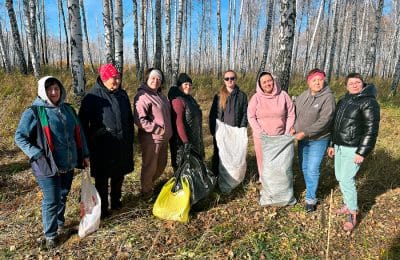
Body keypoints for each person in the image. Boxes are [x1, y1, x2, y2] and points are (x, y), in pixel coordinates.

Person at [15, 76, 90, 249]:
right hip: (46, 164)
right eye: (50, 89)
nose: (54, 92)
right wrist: (36, 153)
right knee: (52, 199)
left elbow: (79, 133)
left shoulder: (68, 110)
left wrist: (84, 154)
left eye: (56, 88)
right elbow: (20, 136)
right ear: (43, 91)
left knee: (63, 195)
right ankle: (50, 235)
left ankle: (59, 223)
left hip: (67, 162)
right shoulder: (34, 111)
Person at [79, 63, 134, 218]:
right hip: (101, 145)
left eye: (117, 78)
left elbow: (129, 119)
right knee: (102, 179)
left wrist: (130, 138)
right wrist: (91, 139)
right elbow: (82, 123)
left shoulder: (122, 95)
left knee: (119, 174)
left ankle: (116, 201)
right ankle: (103, 209)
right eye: (112, 78)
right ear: (103, 78)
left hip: (121, 143)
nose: (116, 81)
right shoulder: (92, 97)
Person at [327, 73, 380, 231]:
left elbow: (371, 130)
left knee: (346, 179)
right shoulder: (344, 100)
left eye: (357, 82)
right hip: (339, 146)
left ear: (363, 84)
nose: (354, 85)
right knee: (340, 178)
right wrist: (332, 144)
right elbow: (335, 124)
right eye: (351, 83)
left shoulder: (369, 102)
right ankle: (347, 203)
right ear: (346, 85)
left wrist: (362, 152)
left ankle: (353, 212)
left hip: (353, 149)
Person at [291, 68, 336, 213]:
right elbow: (295, 113)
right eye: (314, 80)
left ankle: (311, 198)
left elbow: (325, 121)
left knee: (312, 168)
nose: (317, 82)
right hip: (303, 139)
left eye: (320, 79)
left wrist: (305, 132)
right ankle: (310, 187)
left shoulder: (328, 97)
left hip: (319, 139)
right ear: (309, 82)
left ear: (324, 80)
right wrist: (293, 127)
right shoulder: (303, 96)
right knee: (304, 167)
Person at [247, 71, 295, 179]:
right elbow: (251, 116)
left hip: (280, 137)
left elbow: (291, 113)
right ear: (260, 85)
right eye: (264, 82)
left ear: (274, 81)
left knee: (279, 164)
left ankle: (279, 186)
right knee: (263, 162)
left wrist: (287, 131)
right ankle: (265, 186)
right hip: (262, 138)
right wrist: (260, 132)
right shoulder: (256, 98)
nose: (268, 84)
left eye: (269, 81)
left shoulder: (283, 95)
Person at [134, 68, 172, 200]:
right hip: (152, 139)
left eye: (158, 79)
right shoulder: (143, 96)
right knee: (150, 167)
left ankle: (149, 185)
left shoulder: (161, 95)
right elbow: (140, 119)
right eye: (153, 78)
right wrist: (157, 129)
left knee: (161, 165)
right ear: (147, 79)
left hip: (164, 138)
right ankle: (146, 193)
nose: (156, 81)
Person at [209, 70, 248, 175]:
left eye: (232, 78)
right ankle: (216, 176)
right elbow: (213, 114)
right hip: (221, 131)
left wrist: (242, 128)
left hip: (235, 132)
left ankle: (232, 177)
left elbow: (245, 113)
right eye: (227, 78)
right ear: (224, 80)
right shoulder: (218, 96)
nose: (229, 80)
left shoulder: (242, 96)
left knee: (233, 155)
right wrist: (213, 130)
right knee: (218, 154)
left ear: (235, 79)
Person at [168, 73, 204, 170]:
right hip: (182, 142)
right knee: (183, 167)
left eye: (190, 84)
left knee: (194, 166)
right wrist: (185, 142)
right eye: (185, 84)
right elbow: (178, 122)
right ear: (180, 85)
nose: (188, 87)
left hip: (194, 138)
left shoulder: (189, 98)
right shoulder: (177, 101)